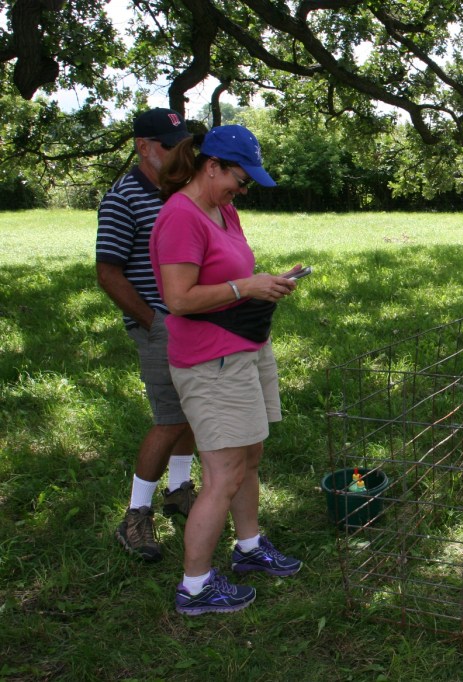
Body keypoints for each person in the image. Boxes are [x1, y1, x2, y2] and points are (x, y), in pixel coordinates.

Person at [151, 124, 304, 615]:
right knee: (223, 474)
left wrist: (265, 284)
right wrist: (247, 289)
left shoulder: (223, 209)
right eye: (240, 178)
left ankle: (249, 547)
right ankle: (195, 587)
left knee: (249, 457)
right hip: (210, 362)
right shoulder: (181, 217)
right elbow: (178, 298)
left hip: (243, 348)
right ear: (210, 165)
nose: (243, 188)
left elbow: (230, 274)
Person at [96, 108, 199, 562]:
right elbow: (108, 272)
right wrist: (153, 322)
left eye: (184, 145)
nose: (182, 154)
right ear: (142, 147)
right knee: (170, 418)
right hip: (159, 324)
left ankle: (178, 489)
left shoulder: (180, 193)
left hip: (193, 321)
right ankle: (135, 515)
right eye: (169, 146)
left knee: (192, 410)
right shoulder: (123, 198)